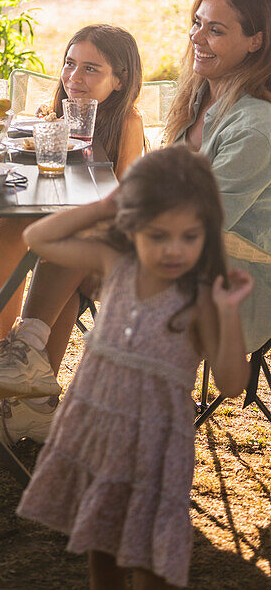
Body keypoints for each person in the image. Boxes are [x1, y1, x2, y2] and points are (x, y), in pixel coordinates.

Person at [17, 146, 252, 590]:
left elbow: (232, 383)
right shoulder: (117, 263)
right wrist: (106, 204)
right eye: (157, 235)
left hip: (155, 447)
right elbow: (37, 238)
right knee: (100, 545)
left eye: (189, 236)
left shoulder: (200, 296)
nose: (173, 250)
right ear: (132, 225)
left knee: (149, 559)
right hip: (99, 431)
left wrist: (226, 314)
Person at [0, 24, 145, 445]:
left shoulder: (127, 122)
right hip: (66, 246)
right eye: (70, 64)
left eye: (92, 69)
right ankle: (15, 358)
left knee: (69, 261)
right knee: (14, 225)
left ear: (120, 79)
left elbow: (127, 203)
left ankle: (22, 382)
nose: (75, 77)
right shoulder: (51, 117)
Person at [164, 0, 271, 355]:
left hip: (235, 283)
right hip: (176, 257)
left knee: (79, 247)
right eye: (197, 22)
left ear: (254, 42)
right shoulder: (196, 101)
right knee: (61, 245)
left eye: (216, 30)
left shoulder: (257, 126)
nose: (197, 36)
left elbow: (207, 222)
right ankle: (30, 386)